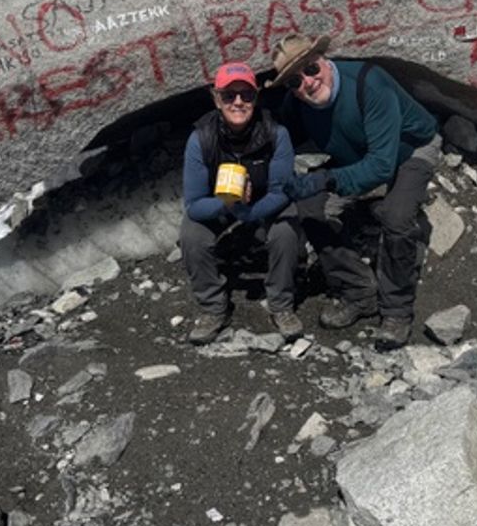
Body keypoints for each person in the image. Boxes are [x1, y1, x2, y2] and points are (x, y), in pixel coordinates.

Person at [268, 33, 440, 352]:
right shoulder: (298, 103)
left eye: (311, 69)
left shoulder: (370, 84)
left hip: (411, 149)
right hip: (358, 154)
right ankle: (358, 291)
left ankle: (397, 311)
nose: (307, 82)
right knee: (310, 208)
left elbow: (380, 167)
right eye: (294, 80)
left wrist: (326, 180)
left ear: (325, 61)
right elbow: (280, 139)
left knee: (396, 216)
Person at [180, 61, 302, 344]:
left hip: (265, 202)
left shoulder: (276, 134)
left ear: (256, 97)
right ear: (216, 98)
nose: (238, 102)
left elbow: (282, 190)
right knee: (191, 235)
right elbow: (195, 204)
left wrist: (249, 212)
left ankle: (281, 304)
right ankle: (213, 308)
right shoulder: (201, 139)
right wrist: (229, 205)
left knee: (286, 229)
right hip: (221, 204)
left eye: (246, 95)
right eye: (229, 95)